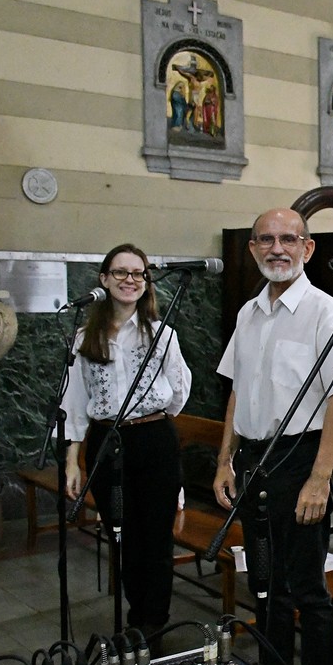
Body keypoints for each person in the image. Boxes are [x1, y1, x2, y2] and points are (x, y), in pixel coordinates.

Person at [213, 208, 333, 665]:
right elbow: (238, 390)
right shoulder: (248, 312)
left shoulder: (325, 311)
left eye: (288, 239)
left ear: (308, 247)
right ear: (252, 248)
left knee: (308, 590)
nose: (277, 248)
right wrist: (224, 460)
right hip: (254, 460)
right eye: (266, 239)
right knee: (265, 582)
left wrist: (321, 479)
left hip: (302, 460)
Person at [62, 244, 192, 636]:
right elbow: (75, 401)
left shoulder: (161, 333)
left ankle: (152, 624)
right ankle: (136, 614)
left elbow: (179, 390)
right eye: (120, 272)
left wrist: (154, 419)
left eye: (138, 273)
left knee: (155, 538)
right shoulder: (85, 338)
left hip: (154, 439)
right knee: (123, 535)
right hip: (107, 441)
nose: (129, 280)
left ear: (147, 282)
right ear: (104, 279)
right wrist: (72, 461)